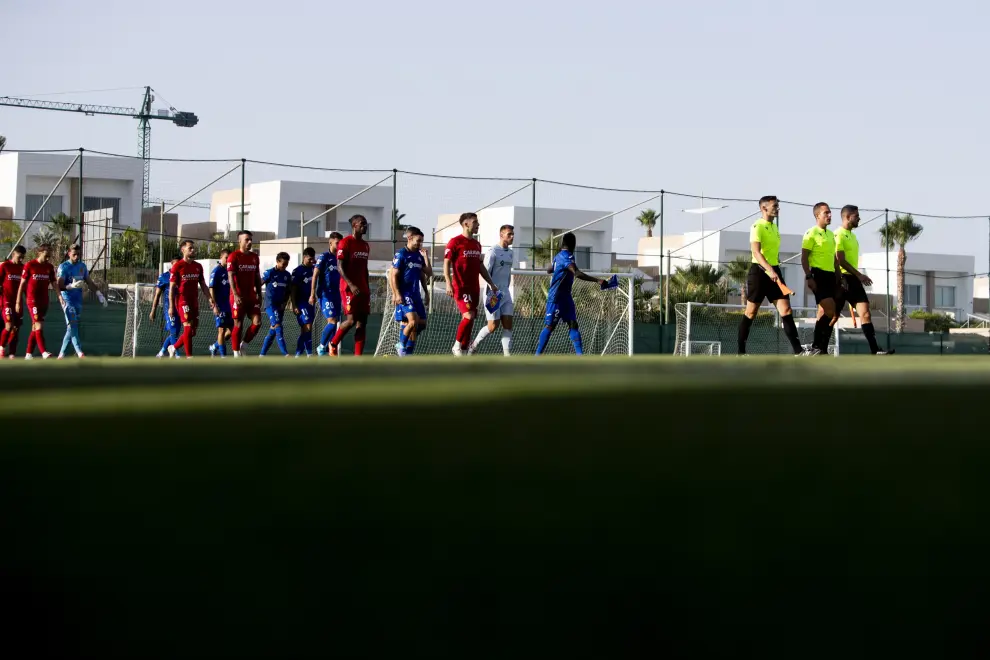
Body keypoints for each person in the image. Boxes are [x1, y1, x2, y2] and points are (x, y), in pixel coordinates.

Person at [737, 195, 804, 355]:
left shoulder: (774, 227)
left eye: (777, 206)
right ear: (763, 208)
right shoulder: (757, 226)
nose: (777, 208)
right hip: (759, 273)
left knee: (786, 310)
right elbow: (756, 252)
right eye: (774, 206)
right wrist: (770, 270)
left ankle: (799, 352)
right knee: (751, 312)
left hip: (774, 271)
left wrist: (774, 270)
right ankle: (741, 353)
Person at [535, 232, 608, 355]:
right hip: (556, 297)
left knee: (573, 324)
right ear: (573, 244)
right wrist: (598, 280)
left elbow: (549, 270)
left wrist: (554, 267)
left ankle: (581, 357)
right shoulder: (567, 256)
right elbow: (577, 273)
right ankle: (536, 357)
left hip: (566, 297)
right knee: (550, 326)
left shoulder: (558, 256)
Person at [833, 205, 891, 355]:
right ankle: (818, 347)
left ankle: (875, 350)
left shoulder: (852, 236)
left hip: (854, 280)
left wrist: (857, 277)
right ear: (847, 217)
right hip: (841, 279)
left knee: (865, 313)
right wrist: (860, 275)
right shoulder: (838, 234)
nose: (859, 218)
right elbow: (840, 260)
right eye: (856, 216)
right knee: (832, 317)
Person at [443, 212, 498, 356]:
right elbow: (446, 264)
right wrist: (448, 283)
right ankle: (456, 346)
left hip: (474, 287)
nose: (478, 225)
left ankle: (465, 348)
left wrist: (491, 283)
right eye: (475, 222)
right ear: (466, 224)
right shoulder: (455, 242)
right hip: (461, 286)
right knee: (468, 315)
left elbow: (480, 267)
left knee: (472, 317)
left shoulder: (477, 244)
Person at [329, 216, 371, 356]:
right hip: (348, 288)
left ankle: (358, 357)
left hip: (363, 288)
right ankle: (333, 343)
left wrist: (367, 287)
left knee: (362, 322)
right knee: (351, 321)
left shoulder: (365, 245)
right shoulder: (345, 243)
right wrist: (351, 285)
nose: (365, 226)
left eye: (365, 224)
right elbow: (340, 267)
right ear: (354, 225)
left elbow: (365, 269)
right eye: (362, 224)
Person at [469, 224, 514, 356]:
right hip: (493, 294)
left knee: (508, 324)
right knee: (493, 326)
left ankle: (507, 356)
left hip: (506, 293)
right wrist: (491, 289)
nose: (512, 237)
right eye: (509, 234)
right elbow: (485, 272)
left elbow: (507, 273)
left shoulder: (511, 253)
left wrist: (506, 288)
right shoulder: (493, 251)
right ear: (501, 235)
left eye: (513, 234)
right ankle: (473, 345)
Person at [800, 202, 838, 356]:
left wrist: (839, 276)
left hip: (831, 276)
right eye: (826, 213)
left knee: (825, 312)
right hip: (818, 275)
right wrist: (809, 276)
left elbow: (834, 259)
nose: (829, 216)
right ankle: (816, 346)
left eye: (830, 213)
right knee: (831, 310)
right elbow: (804, 258)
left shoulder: (831, 235)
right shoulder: (810, 233)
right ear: (817, 216)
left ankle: (821, 348)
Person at [56, 244, 106, 359]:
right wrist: (70, 286)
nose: (76, 256)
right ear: (69, 253)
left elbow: (89, 282)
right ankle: (79, 352)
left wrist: (99, 294)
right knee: (73, 324)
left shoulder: (82, 266)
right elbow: (59, 285)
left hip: (78, 300)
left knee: (71, 328)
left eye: (78, 254)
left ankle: (61, 354)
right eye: (74, 254)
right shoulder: (63, 267)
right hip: (67, 300)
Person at [167, 240, 216, 358]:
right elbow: (172, 288)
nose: (193, 250)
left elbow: (203, 285)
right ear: (183, 250)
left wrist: (209, 298)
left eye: (193, 248)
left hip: (194, 300)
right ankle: (189, 358)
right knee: (187, 326)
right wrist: (171, 306)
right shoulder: (178, 266)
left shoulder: (198, 266)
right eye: (190, 248)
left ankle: (173, 347)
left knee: (192, 332)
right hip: (182, 300)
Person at [390, 226, 431, 357]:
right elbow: (393, 275)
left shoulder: (419, 255)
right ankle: (401, 345)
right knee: (412, 322)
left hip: (416, 294)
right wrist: (396, 293)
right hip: (405, 293)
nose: (420, 244)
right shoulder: (401, 254)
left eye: (422, 241)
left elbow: (427, 274)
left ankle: (407, 351)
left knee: (421, 324)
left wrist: (426, 257)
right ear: (409, 238)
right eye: (418, 241)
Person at [17, 244, 58, 359]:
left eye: (49, 256)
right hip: (32, 300)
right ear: (40, 253)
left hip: (44, 301)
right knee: (38, 324)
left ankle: (28, 354)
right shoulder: (30, 265)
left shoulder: (49, 267)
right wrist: (17, 301)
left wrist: (59, 296)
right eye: (46, 255)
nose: (48, 258)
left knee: (35, 327)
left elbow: (54, 283)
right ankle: (44, 352)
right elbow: (22, 284)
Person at [226, 230, 263, 357]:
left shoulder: (254, 257)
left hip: (251, 296)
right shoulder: (233, 256)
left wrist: (259, 293)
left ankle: (244, 345)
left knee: (257, 322)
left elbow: (257, 276)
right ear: (239, 241)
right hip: (237, 296)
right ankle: (236, 353)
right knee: (239, 324)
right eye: (247, 239)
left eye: (251, 239)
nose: (249, 242)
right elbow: (230, 276)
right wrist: (235, 294)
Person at [311, 232, 343, 356]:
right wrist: (312, 293)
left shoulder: (340, 258)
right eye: (337, 243)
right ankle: (321, 346)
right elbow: (315, 275)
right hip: (325, 294)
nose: (340, 245)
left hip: (337, 294)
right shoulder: (324, 257)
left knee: (335, 325)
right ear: (330, 243)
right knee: (332, 321)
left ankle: (331, 349)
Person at [259, 252, 293, 357]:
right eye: (283, 264)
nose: (285, 266)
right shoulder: (269, 273)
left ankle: (262, 355)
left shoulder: (287, 275)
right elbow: (258, 283)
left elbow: (288, 291)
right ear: (277, 262)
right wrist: (256, 296)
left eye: (286, 264)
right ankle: (285, 354)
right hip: (270, 305)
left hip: (280, 306)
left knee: (273, 330)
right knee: (278, 326)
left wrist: (285, 302)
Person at [151, 258, 184, 358]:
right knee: (173, 332)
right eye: (176, 264)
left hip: (180, 308)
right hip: (169, 309)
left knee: (175, 334)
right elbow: (157, 295)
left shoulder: (182, 276)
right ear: (172, 264)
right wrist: (153, 310)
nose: (178, 266)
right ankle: (178, 355)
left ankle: (161, 352)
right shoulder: (164, 277)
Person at [0, 245, 26, 358]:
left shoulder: (23, 268)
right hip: (6, 301)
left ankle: (12, 354)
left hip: (18, 303)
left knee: (16, 329)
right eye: (19, 257)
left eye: (22, 258)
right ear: (13, 254)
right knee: (9, 325)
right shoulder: (5, 266)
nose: (21, 260)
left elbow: (26, 286)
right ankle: (1, 348)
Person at [291, 247, 316, 357]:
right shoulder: (298, 271)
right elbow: (293, 289)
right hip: (301, 303)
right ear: (304, 257)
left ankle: (298, 354)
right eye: (309, 259)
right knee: (308, 327)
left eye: (313, 259)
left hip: (311, 303)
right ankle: (309, 353)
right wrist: (294, 304)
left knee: (304, 330)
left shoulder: (314, 269)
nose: (312, 261)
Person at [208, 249, 233, 357]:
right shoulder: (216, 271)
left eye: (229, 258)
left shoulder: (230, 271)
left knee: (232, 331)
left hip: (230, 305)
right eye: (226, 258)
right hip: (220, 305)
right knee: (221, 330)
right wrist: (214, 305)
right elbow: (211, 288)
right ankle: (223, 356)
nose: (228, 260)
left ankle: (214, 346)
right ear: (221, 257)